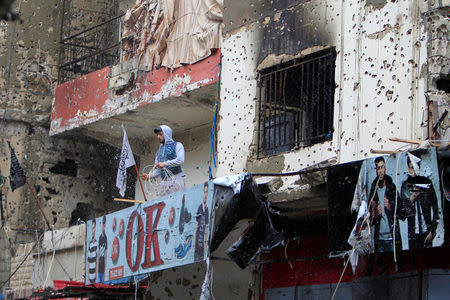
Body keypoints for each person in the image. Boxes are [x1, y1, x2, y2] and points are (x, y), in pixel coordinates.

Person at [401, 156, 439, 249]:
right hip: (413, 236)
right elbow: (402, 214)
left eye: (416, 167)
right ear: (408, 169)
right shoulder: (405, 186)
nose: (414, 170)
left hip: (427, 233)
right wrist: (412, 197)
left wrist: (432, 232)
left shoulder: (427, 183)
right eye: (411, 167)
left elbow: (436, 209)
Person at [369, 156, 404, 252]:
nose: (381, 171)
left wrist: (390, 207)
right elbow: (369, 219)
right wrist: (375, 213)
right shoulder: (373, 190)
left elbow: (402, 213)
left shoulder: (392, 188)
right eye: (378, 168)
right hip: (379, 239)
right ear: (376, 170)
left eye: (382, 167)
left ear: (385, 169)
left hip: (392, 238)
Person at [143, 125, 185, 196]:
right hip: (164, 182)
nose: (158, 137)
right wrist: (149, 176)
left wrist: (165, 164)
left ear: (167, 134)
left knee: (177, 201)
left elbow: (180, 160)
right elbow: (158, 170)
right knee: (165, 204)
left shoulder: (177, 145)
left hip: (177, 178)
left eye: (161, 134)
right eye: (157, 135)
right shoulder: (158, 152)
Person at [194, 182, 210, 261]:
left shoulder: (207, 209)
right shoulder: (200, 207)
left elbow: (207, 228)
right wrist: (194, 244)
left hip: (202, 246)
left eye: (207, 192)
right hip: (197, 245)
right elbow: (196, 227)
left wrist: (205, 247)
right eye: (204, 192)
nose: (205, 195)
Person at [97, 216, 108, 282]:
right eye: (103, 224)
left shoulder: (106, 238)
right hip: (98, 270)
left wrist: (105, 274)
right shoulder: (99, 238)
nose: (104, 226)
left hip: (102, 270)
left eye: (105, 224)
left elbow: (106, 256)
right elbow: (97, 256)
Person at [87, 219, 97, 284]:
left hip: (95, 277)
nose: (93, 230)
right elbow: (88, 261)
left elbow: (98, 259)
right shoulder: (89, 243)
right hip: (90, 277)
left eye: (94, 228)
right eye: (92, 228)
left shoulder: (96, 242)